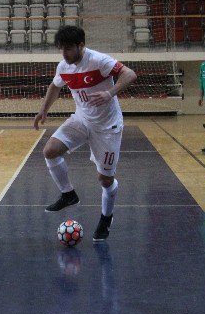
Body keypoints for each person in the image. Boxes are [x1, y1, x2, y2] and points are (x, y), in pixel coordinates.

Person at [33, 26, 137, 242]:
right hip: (82, 119)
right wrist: (44, 109)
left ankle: (105, 219)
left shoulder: (99, 61)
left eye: (69, 49)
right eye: (62, 49)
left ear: (81, 46)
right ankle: (68, 194)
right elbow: (55, 86)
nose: (64, 54)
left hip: (107, 127)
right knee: (50, 150)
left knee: (105, 180)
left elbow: (129, 74)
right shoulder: (63, 66)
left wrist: (110, 93)